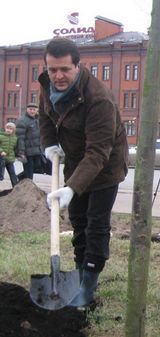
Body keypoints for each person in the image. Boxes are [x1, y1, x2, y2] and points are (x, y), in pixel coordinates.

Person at [38, 38, 128, 307]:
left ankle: (88, 286)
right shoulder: (47, 86)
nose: (58, 76)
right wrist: (50, 144)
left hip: (106, 166)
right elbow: (44, 116)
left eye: (65, 69)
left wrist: (72, 187)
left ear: (78, 66)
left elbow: (99, 151)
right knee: (78, 221)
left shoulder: (98, 99)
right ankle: (78, 274)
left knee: (96, 225)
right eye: (53, 69)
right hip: (77, 161)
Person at [16, 102, 43, 180]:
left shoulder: (38, 119)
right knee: (29, 172)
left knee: (38, 166)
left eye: (34, 109)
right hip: (27, 150)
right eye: (30, 109)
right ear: (27, 110)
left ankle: (20, 177)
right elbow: (20, 137)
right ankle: (28, 187)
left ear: (37, 110)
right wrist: (21, 152)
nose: (32, 111)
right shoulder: (22, 121)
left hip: (37, 149)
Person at [0, 122, 19, 187]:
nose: (8, 130)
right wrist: (1, 151)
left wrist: (16, 155)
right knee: (0, 174)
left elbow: (15, 148)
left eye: (11, 129)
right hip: (1, 158)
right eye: (7, 128)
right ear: (5, 128)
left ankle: (15, 187)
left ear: (13, 130)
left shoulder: (15, 138)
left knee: (12, 173)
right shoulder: (1, 136)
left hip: (10, 159)